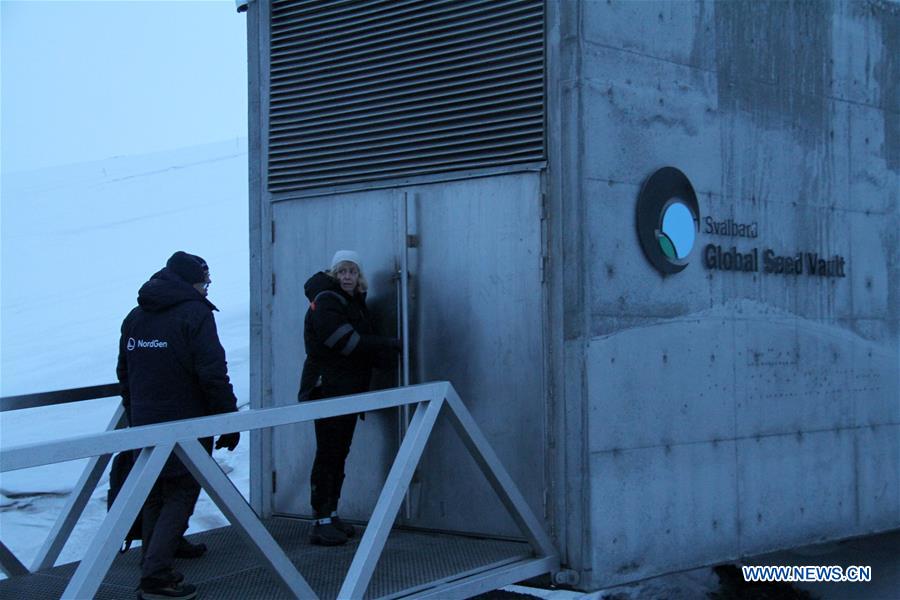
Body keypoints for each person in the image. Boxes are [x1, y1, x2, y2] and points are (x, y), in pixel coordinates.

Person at [117, 251, 240, 600]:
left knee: (157, 490)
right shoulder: (195, 314)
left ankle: (154, 555)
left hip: (145, 421)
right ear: (191, 282)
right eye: (205, 280)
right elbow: (212, 371)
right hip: (186, 422)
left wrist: (134, 412)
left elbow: (124, 373)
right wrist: (227, 419)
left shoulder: (136, 316)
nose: (208, 286)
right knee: (182, 489)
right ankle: (156, 576)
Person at [298, 250, 400, 546]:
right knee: (329, 452)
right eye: (341, 271)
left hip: (344, 388)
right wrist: (388, 345)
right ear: (333, 273)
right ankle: (321, 520)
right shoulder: (328, 300)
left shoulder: (350, 302)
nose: (346, 276)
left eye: (352, 271)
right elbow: (343, 341)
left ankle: (330, 513)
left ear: (359, 276)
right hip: (329, 388)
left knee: (338, 451)